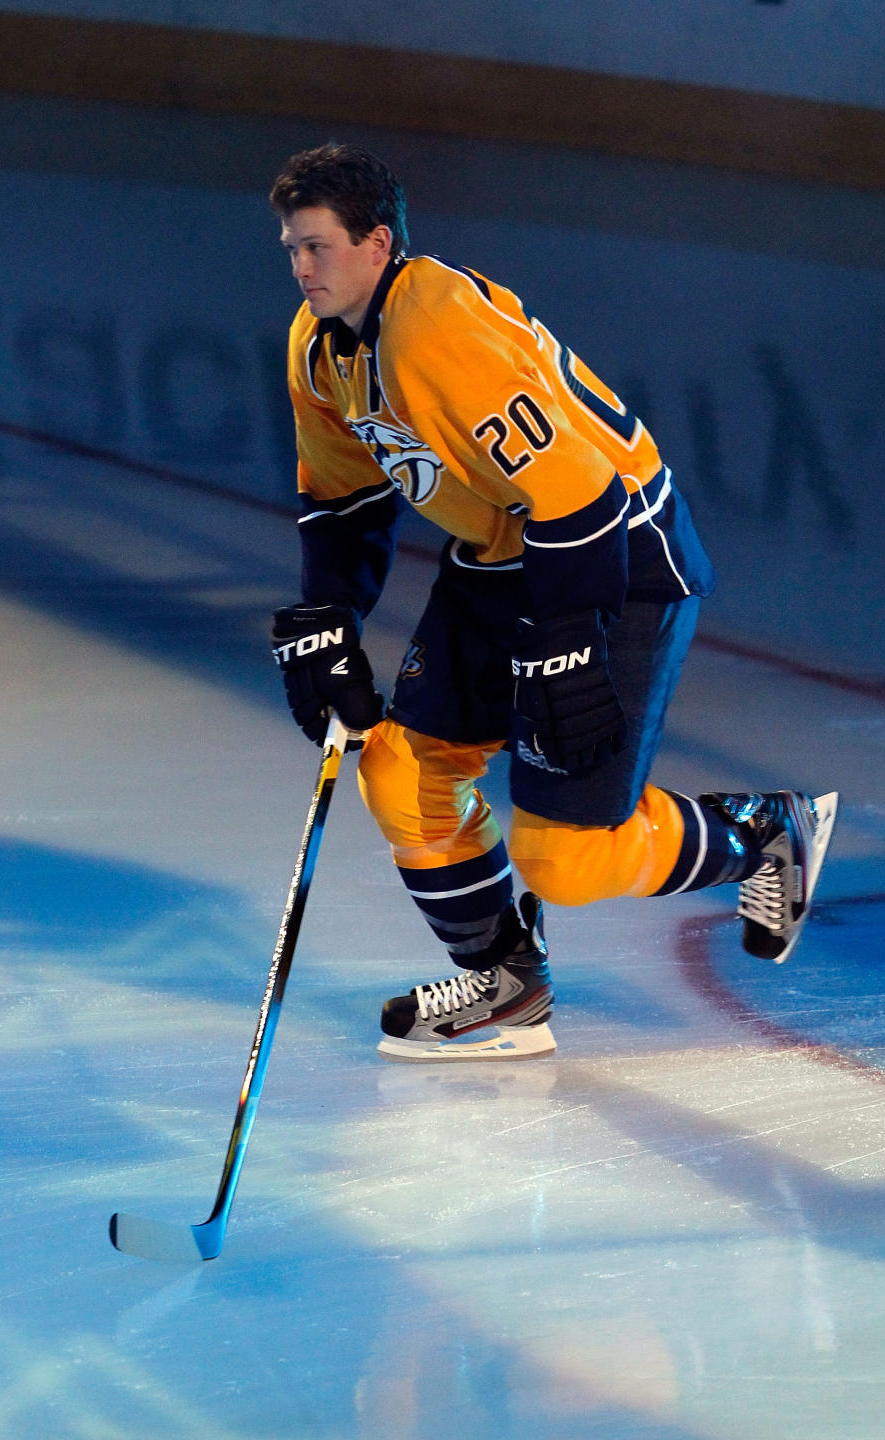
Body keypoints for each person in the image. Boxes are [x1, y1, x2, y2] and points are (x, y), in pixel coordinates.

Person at [267, 142, 838, 1062]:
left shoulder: (437, 328)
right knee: (404, 772)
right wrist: (330, 617)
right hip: (506, 553)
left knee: (565, 860)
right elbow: (344, 496)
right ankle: (507, 983)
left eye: (318, 247)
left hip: (615, 558)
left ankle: (765, 828)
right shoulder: (317, 348)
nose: (301, 268)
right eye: (291, 248)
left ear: (377, 244)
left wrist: (567, 643)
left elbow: (583, 496)